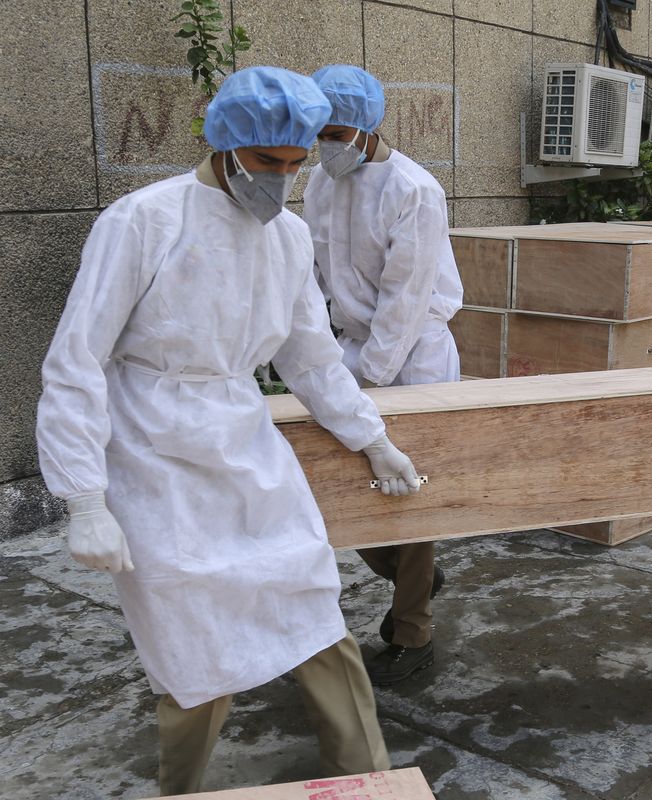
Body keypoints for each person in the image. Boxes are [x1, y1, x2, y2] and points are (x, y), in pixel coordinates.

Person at [35, 67, 424, 796]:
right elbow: (77, 360)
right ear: (225, 144)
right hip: (154, 452)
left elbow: (309, 354)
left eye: (294, 164)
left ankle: (368, 784)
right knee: (194, 643)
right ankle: (183, 788)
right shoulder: (143, 220)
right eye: (267, 162)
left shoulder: (286, 237)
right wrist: (83, 496)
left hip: (244, 440)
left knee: (311, 602)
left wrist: (370, 435)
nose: (280, 180)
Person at [304, 64, 464, 685]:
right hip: (350, 347)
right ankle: (411, 577)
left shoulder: (414, 190)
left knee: (407, 496)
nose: (326, 144)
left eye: (336, 131)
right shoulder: (321, 182)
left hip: (413, 354)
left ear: (368, 127)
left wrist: (363, 385)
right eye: (319, 132)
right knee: (346, 483)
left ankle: (413, 635)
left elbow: (404, 301)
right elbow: (320, 277)